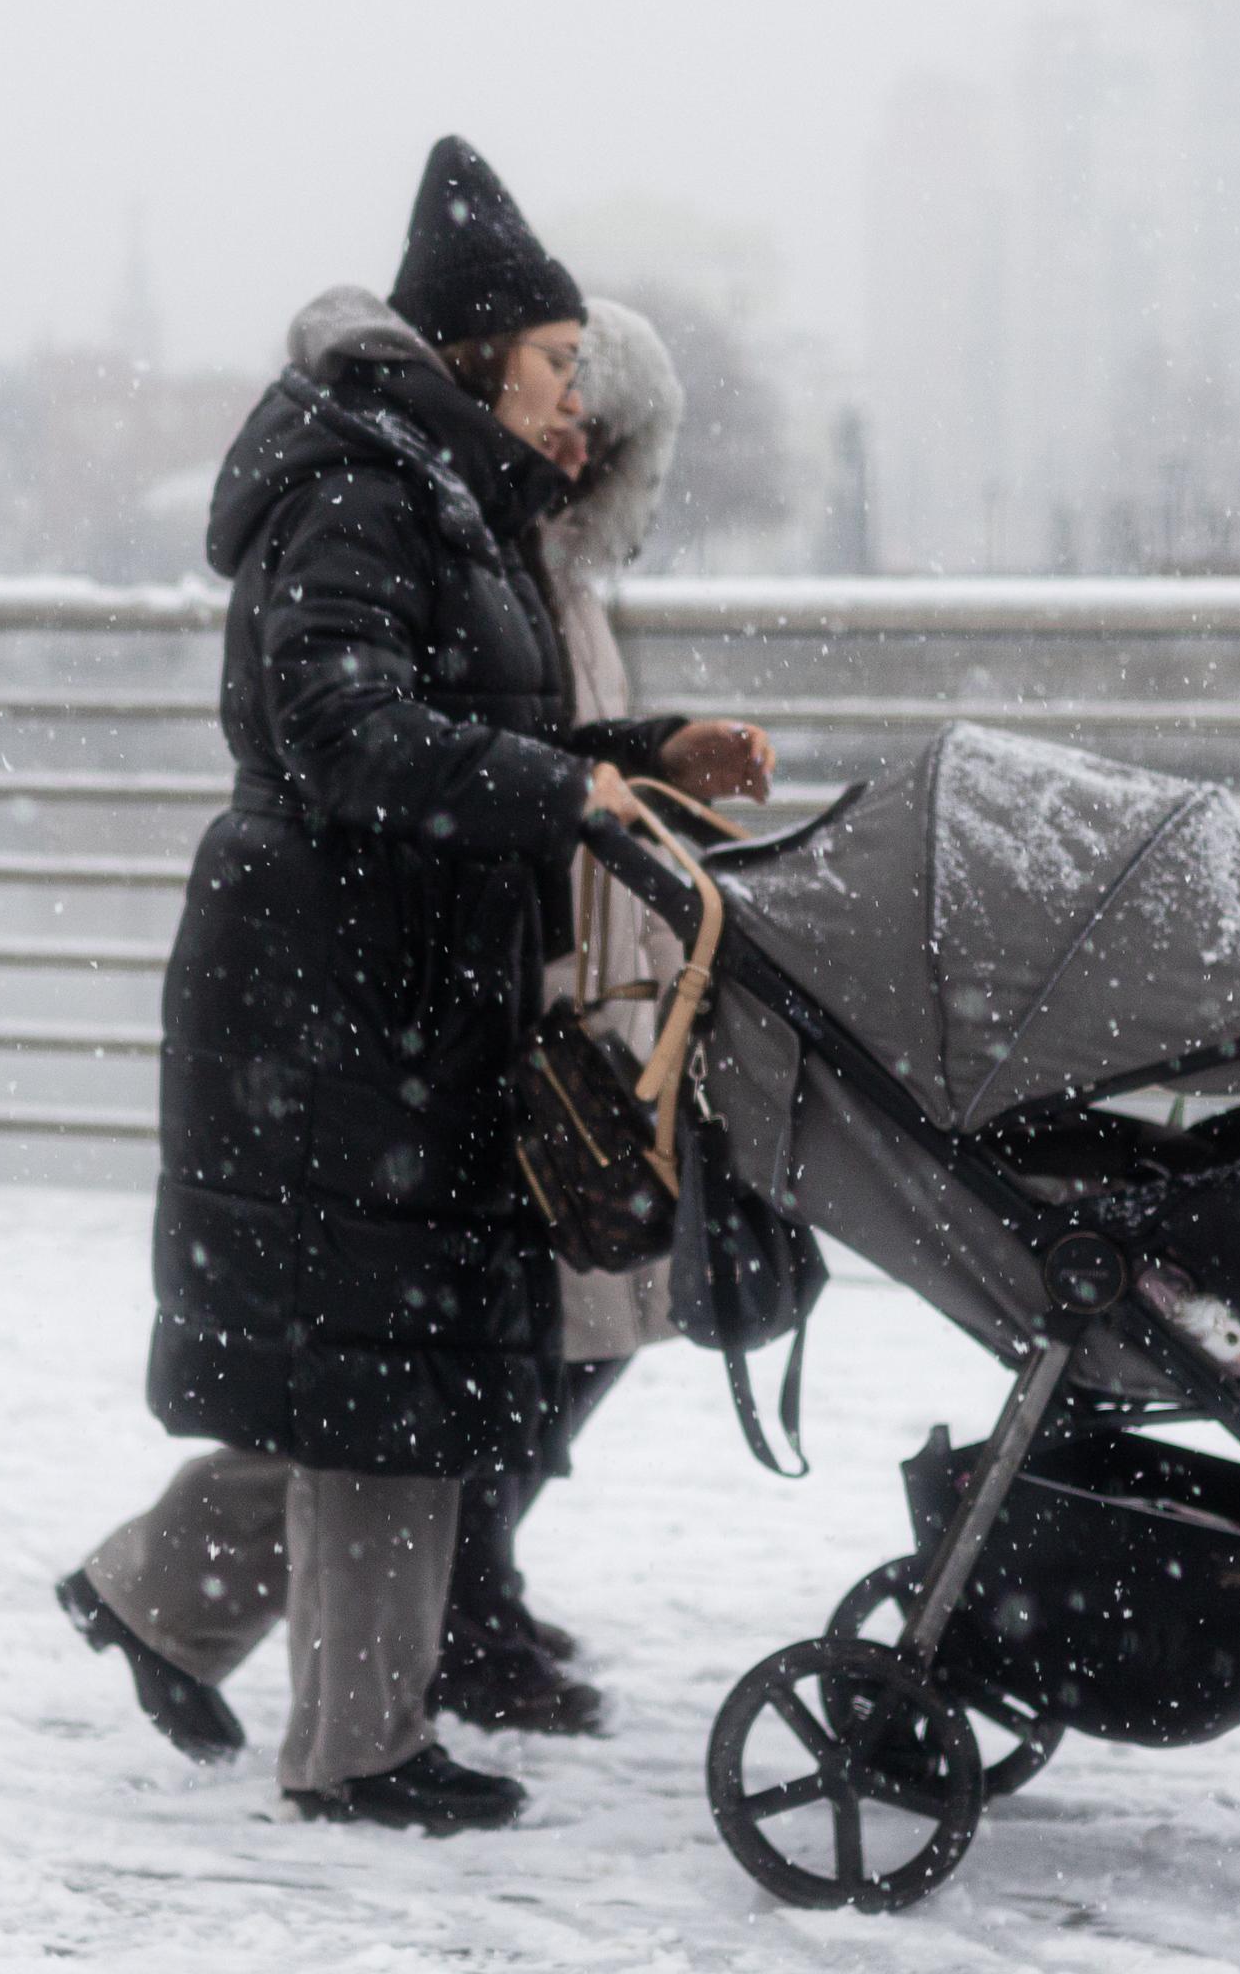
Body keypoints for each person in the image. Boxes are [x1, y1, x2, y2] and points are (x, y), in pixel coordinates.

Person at [56, 140, 775, 1834]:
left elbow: (460, 723)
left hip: (388, 972)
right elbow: (342, 728)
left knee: (389, 1350)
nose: (572, 398)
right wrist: (563, 789)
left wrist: (637, 750)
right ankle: (358, 1750)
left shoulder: (433, 490)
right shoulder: (364, 493)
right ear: (478, 351)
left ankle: (176, 1605)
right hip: (341, 986)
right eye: (556, 364)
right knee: (392, 1362)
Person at [429, 296, 718, 1736]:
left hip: (592, 977)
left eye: (605, 431)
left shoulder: (562, 572)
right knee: (546, 1310)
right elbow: (506, 756)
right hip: (528, 976)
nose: (577, 443)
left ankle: (472, 1575)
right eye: (566, 407)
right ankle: (460, 1594)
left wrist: (662, 758)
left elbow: (567, 747)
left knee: (596, 1300)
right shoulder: (489, 560)